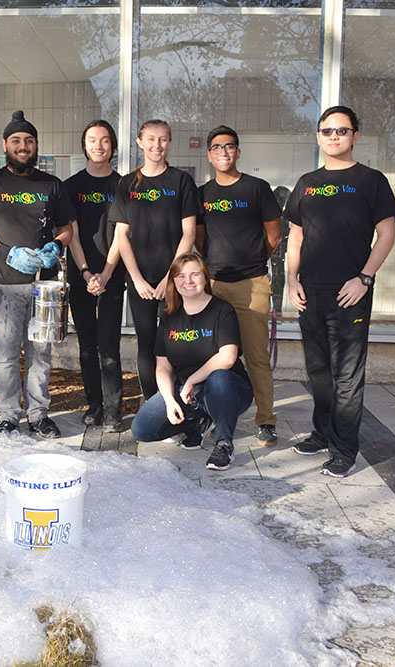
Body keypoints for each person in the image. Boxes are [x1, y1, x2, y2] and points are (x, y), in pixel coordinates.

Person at [285, 105, 395, 478]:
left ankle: (343, 450)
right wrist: (292, 279)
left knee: (347, 375)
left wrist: (364, 278)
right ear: (318, 136)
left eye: (342, 130)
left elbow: (386, 234)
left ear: (355, 136)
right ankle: (321, 433)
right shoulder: (306, 182)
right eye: (327, 131)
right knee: (318, 370)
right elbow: (296, 236)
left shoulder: (371, 180)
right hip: (309, 292)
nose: (334, 136)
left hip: (351, 291)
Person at [0, 110, 75, 438]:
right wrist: (6, 252)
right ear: (5, 145)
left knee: (40, 351)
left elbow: (67, 228)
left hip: (43, 285)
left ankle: (38, 414)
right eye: (16, 140)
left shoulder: (51, 185)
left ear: (36, 145)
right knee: (6, 352)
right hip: (3, 282)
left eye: (29, 140)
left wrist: (56, 246)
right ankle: (8, 415)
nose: (23, 145)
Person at [198, 125, 282, 447]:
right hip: (215, 285)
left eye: (229, 146)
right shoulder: (202, 193)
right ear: (209, 155)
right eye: (217, 147)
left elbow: (273, 235)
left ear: (238, 151)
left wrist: (252, 260)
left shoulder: (257, 188)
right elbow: (201, 239)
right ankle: (211, 414)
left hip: (252, 285)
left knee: (257, 356)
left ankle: (266, 421)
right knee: (213, 356)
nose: (223, 152)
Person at [130, 251, 253, 471]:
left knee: (219, 378)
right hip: (191, 394)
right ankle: (196, 422)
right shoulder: (169, 317)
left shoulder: (222, 310)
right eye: (181, 276)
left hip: (230, 389)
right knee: (142, 429)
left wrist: (191, 381)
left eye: (195, 274)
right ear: (174, 281)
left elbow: (227, 357)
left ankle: (224, 444)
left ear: (205, 278)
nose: (188, 281)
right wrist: (169, 401)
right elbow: (163, 366)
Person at [111, 119, 198, 401]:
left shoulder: (181, 181)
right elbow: (122, 235)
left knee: (178, 345)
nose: (156, 145)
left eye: (162, 139)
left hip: (175, 281)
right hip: (140, 282)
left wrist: (170, 278)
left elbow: (189, 234)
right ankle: (155, 405)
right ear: (139, 142)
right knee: (147, 345)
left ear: (170, 143)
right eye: (150, 139)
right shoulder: (127, 183)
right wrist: (137, 279)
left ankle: (184, 407)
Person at [63, 120, 124, 432]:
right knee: (86, 345)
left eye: (104, 140)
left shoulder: (124, 186)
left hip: (113, 273)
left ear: (113, 146)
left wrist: (106, 272)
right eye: (92, 140)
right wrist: (87, 271)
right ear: (83, 145)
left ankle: (114, 410)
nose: (98, 145)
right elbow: (71, 234)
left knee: (109, 345)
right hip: (81, 274)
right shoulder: (71, 186)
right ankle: (95, 404)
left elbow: (123, 235)